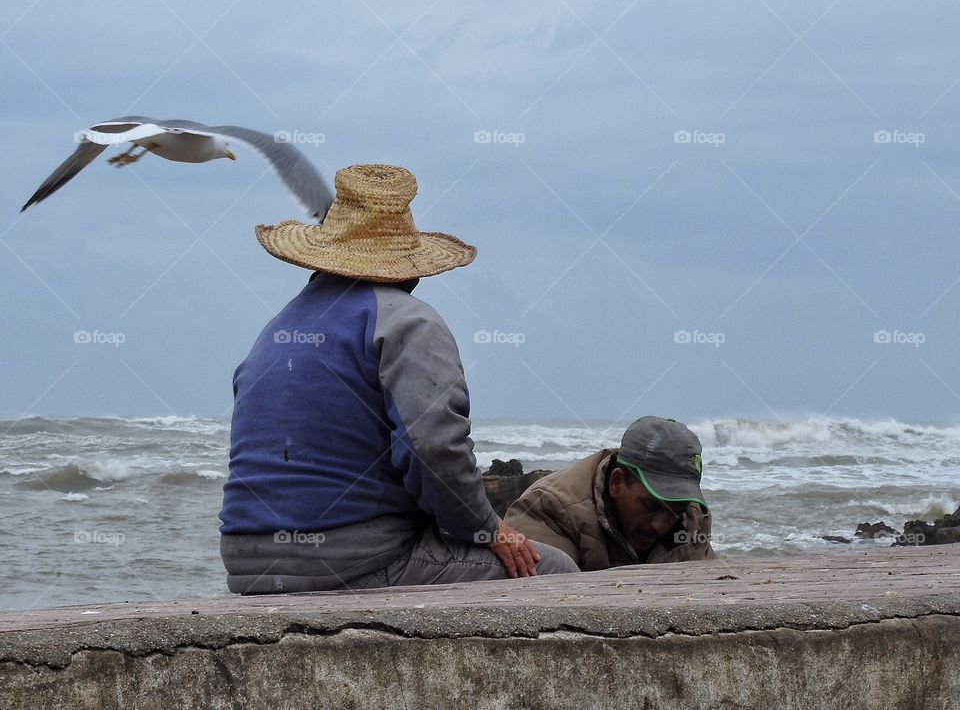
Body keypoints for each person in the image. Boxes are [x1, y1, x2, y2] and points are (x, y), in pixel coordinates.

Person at [219, 163, 578, 593]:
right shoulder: (407, 320)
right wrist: (487, 529)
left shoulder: (278, 328)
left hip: (244, 560)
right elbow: (432, 447)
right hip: (349, 558)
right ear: (410, 265)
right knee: (553, 571)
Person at [504, 416, 718, 570]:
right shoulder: (548, 508)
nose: (660, 525)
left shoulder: (691, 517)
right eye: (651, 506)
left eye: (675, 510)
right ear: (616, 482)